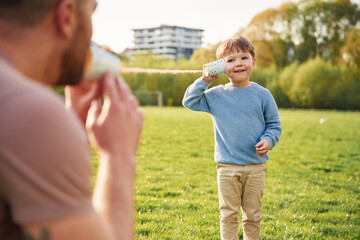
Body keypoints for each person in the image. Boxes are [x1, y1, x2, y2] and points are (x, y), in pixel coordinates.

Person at [0, 0, 144, 239]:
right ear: (67, 15)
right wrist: (119, 156)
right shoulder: (28, 110)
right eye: (91, 12)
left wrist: (70, 124)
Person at [182, 36, 282, 240]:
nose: (238, 63)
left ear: (253, 62)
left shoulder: (263, 95)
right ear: (221, 67)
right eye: (230, 60)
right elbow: (189, 101)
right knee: (228, 215)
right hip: (227, 167)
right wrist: (204, 81)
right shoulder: (215, 95)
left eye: (244, 57)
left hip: (256, 167)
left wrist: (268, 140)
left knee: (253, 216)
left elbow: (274, 125)